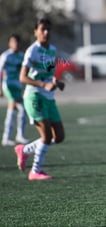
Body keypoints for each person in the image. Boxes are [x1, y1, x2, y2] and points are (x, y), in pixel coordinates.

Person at [14, 18, 65, 181]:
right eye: (42, 29)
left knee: (59, 136)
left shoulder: (52, 50)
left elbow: (49, 74)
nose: (46, 32)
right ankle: (35, 171)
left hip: (48, 97)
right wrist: (43, 84)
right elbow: (23, 77)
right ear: (35, 32)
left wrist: (57, 83)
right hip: (34, 96)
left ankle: (24, 150)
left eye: (48, 29)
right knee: (47, 137)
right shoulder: (32, 51)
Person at [0, 34, 29, 146]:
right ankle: (11, 136)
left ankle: (13, 136)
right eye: (13, 42)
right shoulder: (5, 56)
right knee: (18, 107)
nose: (15, 44)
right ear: (9, 43)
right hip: (8, 85)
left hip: (17, 86)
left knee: (17, 109)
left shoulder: (22, 56)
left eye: (17, 42)